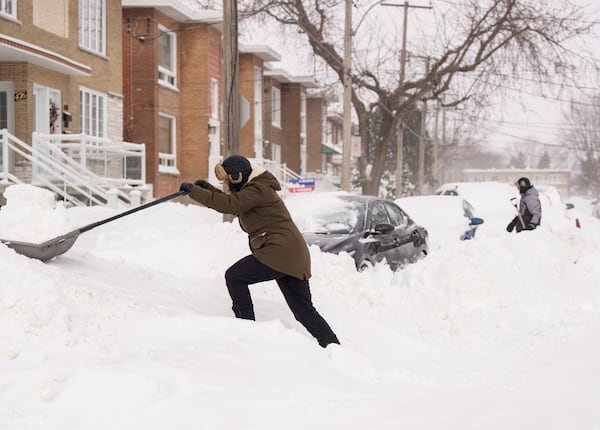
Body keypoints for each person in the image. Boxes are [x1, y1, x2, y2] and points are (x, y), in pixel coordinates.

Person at [179, 155, 340, 348]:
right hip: (292, 254)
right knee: (303, 310)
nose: (225, 185)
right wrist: (206, 190)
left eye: (227, 181)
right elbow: (234, 203)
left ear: (238, 177)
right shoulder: (254, 190)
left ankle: (247, 331)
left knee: (235, 277)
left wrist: (195, 192)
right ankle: (333, 347)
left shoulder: (258, 189)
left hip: (280, 251)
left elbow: (230, 205)